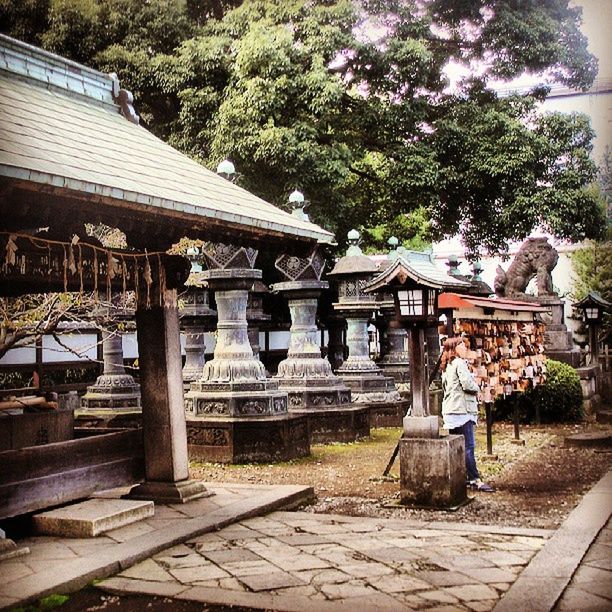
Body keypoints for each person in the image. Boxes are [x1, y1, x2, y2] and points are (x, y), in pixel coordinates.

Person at [440, 337, 494, 492]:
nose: (465, 349)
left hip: (451, 410)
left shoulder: (448, 365)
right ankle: (474, 478)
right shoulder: (459, 363)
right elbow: (467, 384)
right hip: (462, 410)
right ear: (455, 348)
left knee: (456, 446)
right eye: (462, 346)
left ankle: (460, 477)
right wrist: (478, 386)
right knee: (468, 446)